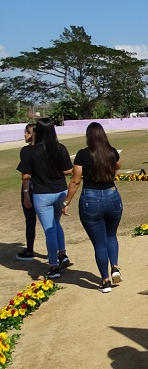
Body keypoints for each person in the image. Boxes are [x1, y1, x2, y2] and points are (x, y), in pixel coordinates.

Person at [62, 123, 123, 293]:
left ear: (88, 136)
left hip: (91, 199)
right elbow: (118, 165)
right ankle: (116, 267)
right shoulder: (111, 151)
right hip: (112, 196)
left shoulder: (82, 154)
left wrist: (66, 202)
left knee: (99, 243)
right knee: (111, 235)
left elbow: (75, 180)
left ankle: (105, 281)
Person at [17, 118, 74, 279]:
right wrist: (55, 170)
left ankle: (54, 266)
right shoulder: (60, 148)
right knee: (56, 224)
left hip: (42, 194)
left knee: (49, 229)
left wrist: (26, 194)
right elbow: (68, 170)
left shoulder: (29, 151)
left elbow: (26, 175)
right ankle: (62, 254)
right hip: (60, 192)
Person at [17, 123, 38, 260]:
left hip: (31, 188)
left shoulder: (26, 151)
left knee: (30, 221)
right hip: (47, 188)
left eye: (26, 132)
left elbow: (26, 176)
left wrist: (25, 194)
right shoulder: (47, 149)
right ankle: (57, 252)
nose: (24, 135)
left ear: (30, 134)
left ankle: (29, 251)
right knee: (51, 223)